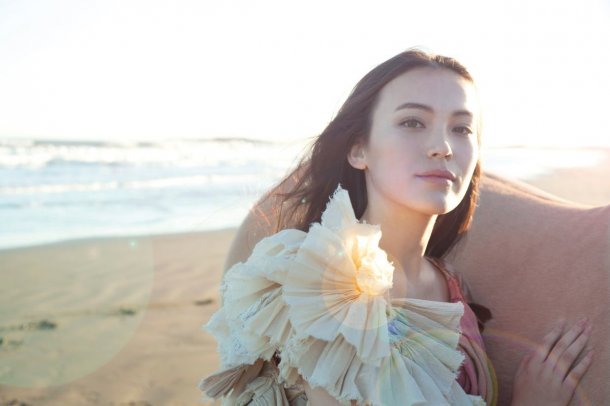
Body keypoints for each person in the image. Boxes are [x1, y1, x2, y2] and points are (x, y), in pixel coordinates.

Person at [199, 49, 593, 405]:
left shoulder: (452, 285)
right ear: (359, 150)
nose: (443, 146)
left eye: (461, 129)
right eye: (412, 122)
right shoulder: (325, 290)